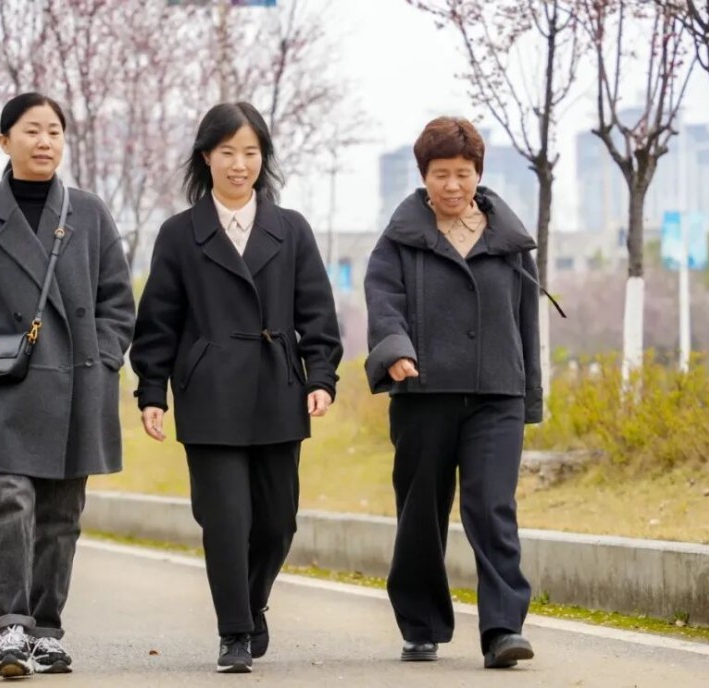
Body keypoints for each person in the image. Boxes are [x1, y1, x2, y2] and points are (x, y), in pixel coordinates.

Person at [0, 92, 135, 678]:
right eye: (32, 130)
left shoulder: (88, 213)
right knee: (10, 505)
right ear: (4, 141)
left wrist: (101, 357)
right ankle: (12, 628)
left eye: (54, 131)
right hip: (0, 387)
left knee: (61, 517)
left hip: (75, 385)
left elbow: (118, 301)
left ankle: (46, 632)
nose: (44, 141)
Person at [129, 102, 342, 674]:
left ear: (263, 158)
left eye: (251, 152)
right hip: (209, 394)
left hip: (278, 388)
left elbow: (317, 314)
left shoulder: (291, 229)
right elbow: (158, 322)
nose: (239, 164)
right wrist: (152, 392)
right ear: (206, 157)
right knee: (225, 521)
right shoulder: (179, 234)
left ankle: (252, 601)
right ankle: (234, 632)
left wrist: (322, 377)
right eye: (227, 152)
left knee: (277, 523)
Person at [364, 116, 541, 670]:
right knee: (421, 513)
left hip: (497, 395)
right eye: (441, 173)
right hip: (423, 394)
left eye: (463, 173)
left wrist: (529, 396)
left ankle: (503, 629)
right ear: (424, 175)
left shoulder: (508, 240)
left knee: (492, 508)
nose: (452, 185)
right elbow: (383, 301)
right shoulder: (399, 239)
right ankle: (421, 625)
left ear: (478, 173)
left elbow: (526, 322)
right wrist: (396, 351)